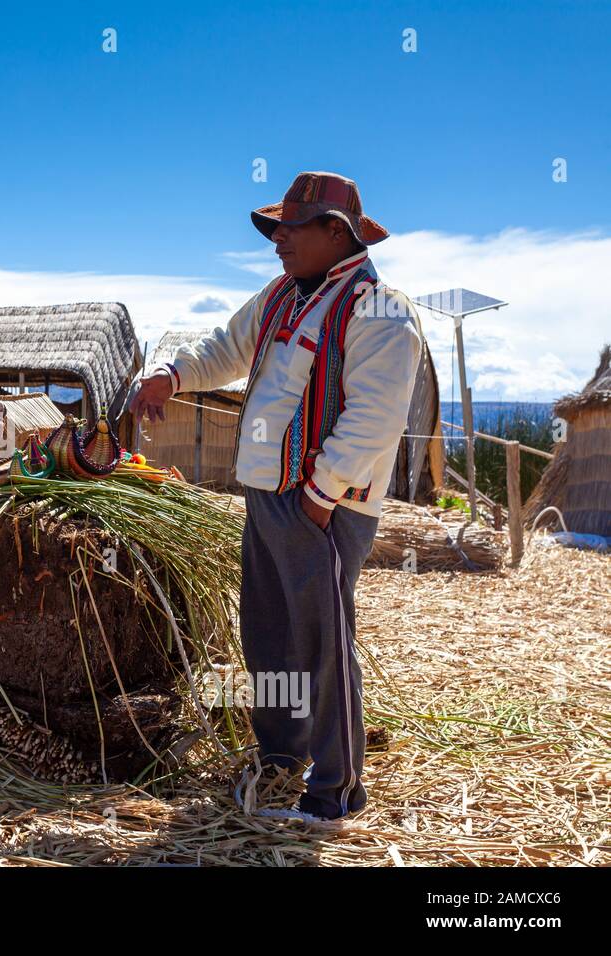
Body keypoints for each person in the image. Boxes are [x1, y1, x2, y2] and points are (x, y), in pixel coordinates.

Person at [130, 171, 425, 820]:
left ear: (335, 232)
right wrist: (169, 374)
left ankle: (336, 791)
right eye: (276, 228)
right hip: (266, 493)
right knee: (269, 635)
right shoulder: (282, 296)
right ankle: (282, 754)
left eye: (292, 229)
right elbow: (226, 349)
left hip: (323, 505)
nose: (278, 240)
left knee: (320, 641)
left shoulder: (378, 309)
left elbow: (375, 417)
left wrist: (322, 496)